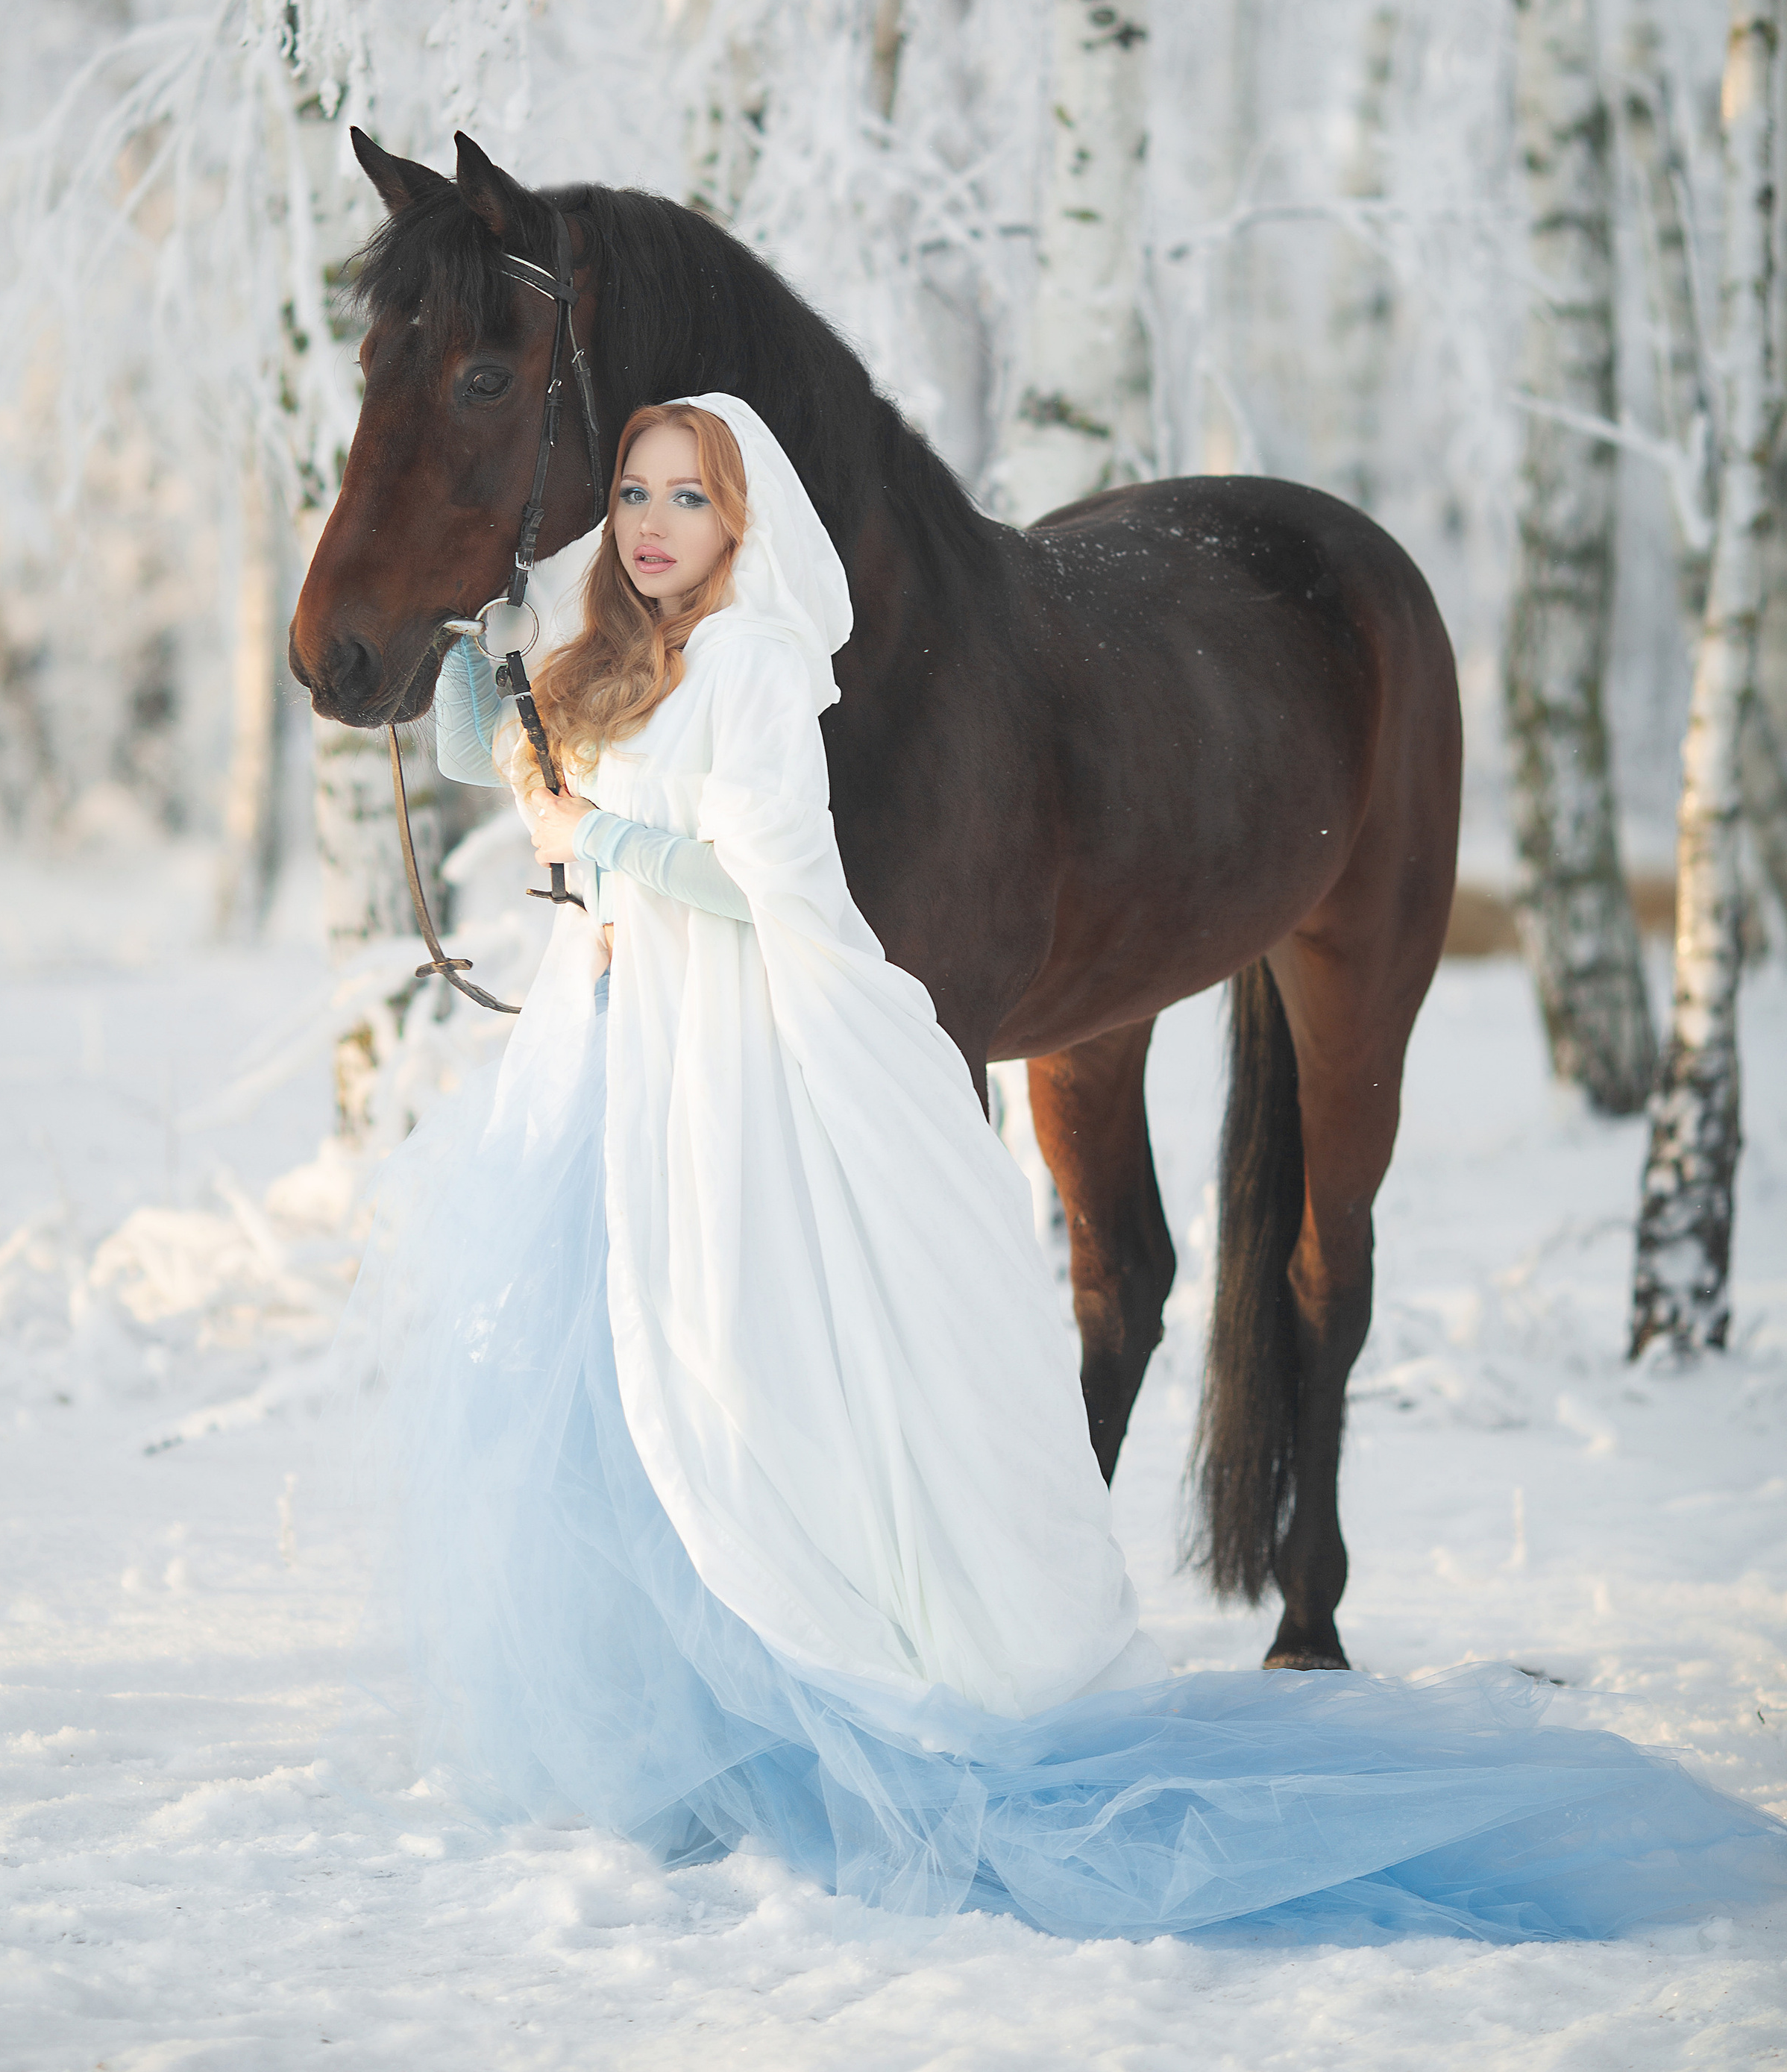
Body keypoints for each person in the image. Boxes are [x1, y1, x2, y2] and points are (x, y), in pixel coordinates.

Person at [345, 393, 1786, 1941]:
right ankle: (679, 1692)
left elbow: (781, 886)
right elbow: (511, 755)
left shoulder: (759, 669)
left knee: (725, 1374)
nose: (646, 525)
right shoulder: (629, 656)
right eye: (631, 494)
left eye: (682, 500)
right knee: (634, 1368)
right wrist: (469, 643)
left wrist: (601, 841)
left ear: (740, 521)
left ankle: (840, 1662)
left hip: (735, 1050)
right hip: (637, 1054)